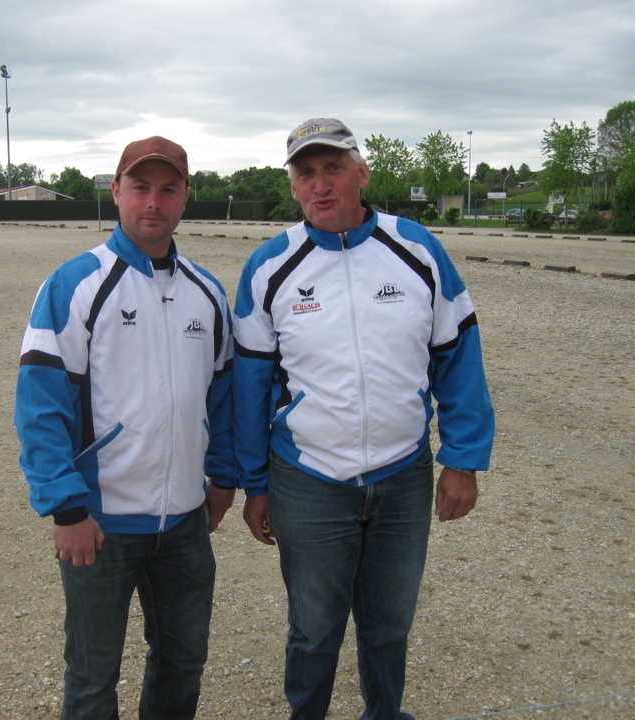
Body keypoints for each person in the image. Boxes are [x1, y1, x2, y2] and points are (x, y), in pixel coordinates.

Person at [233, 118, 495, 720]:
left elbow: (458, 357)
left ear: (361, 173)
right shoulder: (270, 266)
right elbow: (248, 388)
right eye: (306, 173)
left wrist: (464, 458)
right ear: (293, 186)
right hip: (308, 478)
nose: (321, 184)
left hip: (403, 475)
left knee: (389, 624)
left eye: (333, 168)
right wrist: (255, 483)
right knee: (314, 629)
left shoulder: (418, 248)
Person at [14, 136, 236, 720]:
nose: (153, 202)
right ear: (116, 192)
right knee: (92, 678)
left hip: (184, 527)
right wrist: (65, 508)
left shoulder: (207, 292)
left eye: (168, 188)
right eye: (140, 187)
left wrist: (222, 478)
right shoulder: (76, 283)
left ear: (186, 196)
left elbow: (226, 396)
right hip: (100, 525)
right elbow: (40, 406)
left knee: (182, 665)